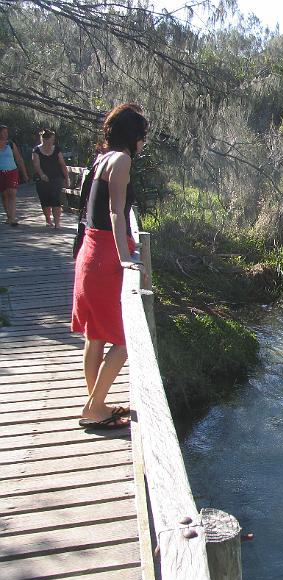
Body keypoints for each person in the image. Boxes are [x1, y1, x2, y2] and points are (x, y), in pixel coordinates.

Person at [72, 104, 147, 429]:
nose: (143, 143)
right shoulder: (122, 160)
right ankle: (94, 407)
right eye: (143, 136)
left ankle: (97, 404)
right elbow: (117, 213)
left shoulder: (101, 158)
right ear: (134, 136)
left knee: (95, 335)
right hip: (105, 255)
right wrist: (125, 258)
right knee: (125, 339)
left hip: (89, 250)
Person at [32, 129, 70, 229]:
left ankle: (57, 223)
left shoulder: (57, 150)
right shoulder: (36, 150)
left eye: (53, 139)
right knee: (45, 200)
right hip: (42, 179)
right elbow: (36, 165)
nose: (52, 141)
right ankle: (48, 219)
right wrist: (42, 175)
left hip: (56, 177)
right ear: (44, 140)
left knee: (56, 199)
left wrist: (66, 178)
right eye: (50, 139)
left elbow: (62, 164)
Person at [0, 124, 29, 226]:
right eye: (3, 133)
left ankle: (12, 218)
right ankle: (9, 217)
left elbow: (19, 159)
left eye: (6, 132)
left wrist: (24, 173)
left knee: (12, 193)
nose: (5, 134)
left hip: (12, 171)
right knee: (4, 194)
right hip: (1, 172)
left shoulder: (11, 144)